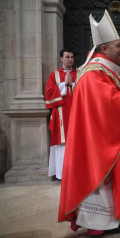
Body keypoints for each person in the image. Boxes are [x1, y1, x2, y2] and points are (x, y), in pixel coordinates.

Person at [58, 10, 120, 236]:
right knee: (99, 179)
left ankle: (109, 219)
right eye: (118, 45)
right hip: (96, 144)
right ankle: (99, 223)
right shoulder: (93, 74)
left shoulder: (101, 72)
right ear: (104, 49)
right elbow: (110, 105)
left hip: (99, 139)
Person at [45, 48, 77, 180]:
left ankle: (76, 173)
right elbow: (49, 94)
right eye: (67, 57)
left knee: (76, 142)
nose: (70, 60)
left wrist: (73, 84)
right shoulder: (54, 75)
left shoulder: (79, 73)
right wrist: (64, 85)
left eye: (72, 57)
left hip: (76, 113)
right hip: (61, 113)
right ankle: (62, 173)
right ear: (61, 59)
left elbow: (85, 91)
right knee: (62, 143)